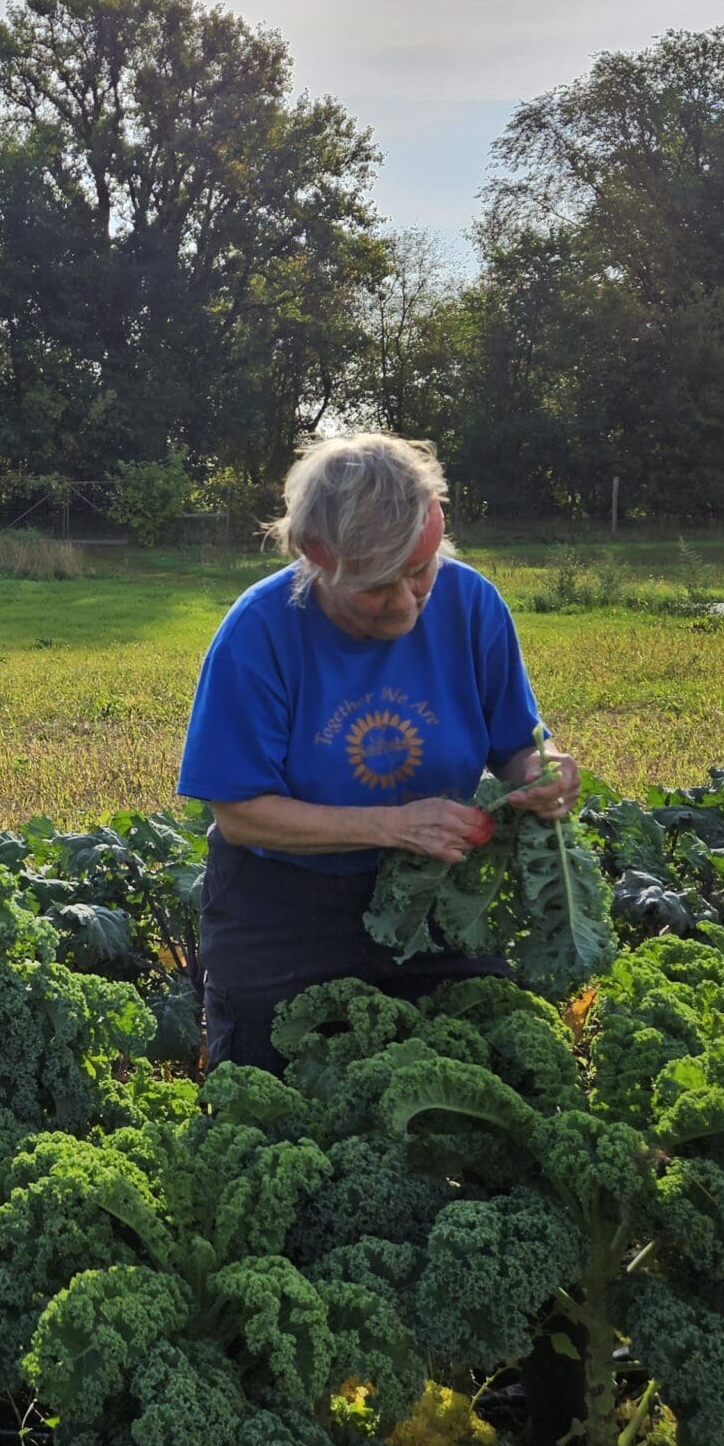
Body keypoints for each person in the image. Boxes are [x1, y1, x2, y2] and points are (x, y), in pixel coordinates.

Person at [177, 432, 579, 1076]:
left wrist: (543, 770)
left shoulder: (472, 604)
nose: (405, 601)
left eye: (419, 572)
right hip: (285, 912)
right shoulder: (259, 631)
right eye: (376, 586)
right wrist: (393, 826)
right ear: (318, 560)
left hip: (440, 895)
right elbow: (242, 814)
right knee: (270, 1097)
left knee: (473, 1088)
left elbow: (516, 742)